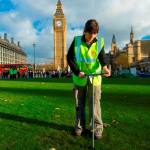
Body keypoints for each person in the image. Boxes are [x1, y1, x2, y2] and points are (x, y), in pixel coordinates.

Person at [67, 19, 111, 139]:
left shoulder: (99, 42)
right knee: (79, 104)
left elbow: (102, 58)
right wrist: (77, 71)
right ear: (84, 31)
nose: (92, 37)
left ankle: (96, 128)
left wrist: (105, 68)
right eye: (89, 34)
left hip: (95, 78)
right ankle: (79, 127)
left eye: (94, 34)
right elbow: (69, 58)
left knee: (95, 104)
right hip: (80, 77)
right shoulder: (76, 41)